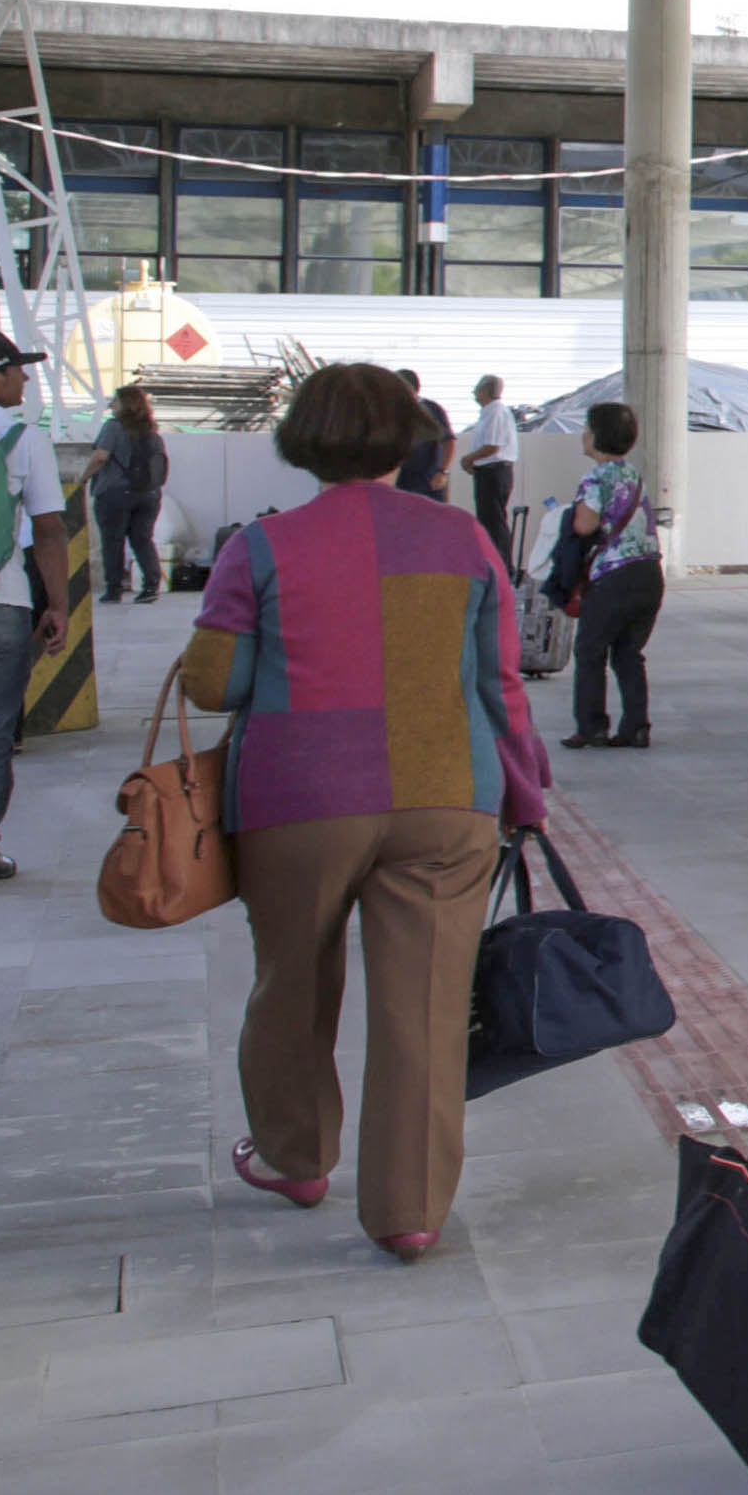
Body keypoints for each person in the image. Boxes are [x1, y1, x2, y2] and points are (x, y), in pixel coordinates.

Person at [181, 364, 549, 1261]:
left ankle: (295, 1157)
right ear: (406, 440)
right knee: (424, 1005)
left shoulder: (260, 547)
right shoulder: (464, 539)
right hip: (444, 798)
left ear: (302, 440)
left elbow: (216, 682)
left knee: (293, 983)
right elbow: (500, 684)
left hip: (299, 799)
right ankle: (409, 1211)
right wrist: (525, 793)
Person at [0, 335, 68, 880]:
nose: (25, 380)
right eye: (19, 370)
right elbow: (47, 529)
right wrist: (59, 606)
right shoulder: (24, 439)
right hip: (4, 602)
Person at [562, 402, 664, 750]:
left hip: (614, 576)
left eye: (586, 428)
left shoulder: (595, 477)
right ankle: (636, 726)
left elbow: (585, 524)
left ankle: (591, 726)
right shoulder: (634, 475)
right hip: (649, 573)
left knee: (590, 651)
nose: (583, 435)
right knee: (628, 653)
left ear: (595, 435)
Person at [82, 381, 167, 604]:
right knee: (143, 539)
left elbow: (101, 456)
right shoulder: (151, 430)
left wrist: (82, 477)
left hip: (115, 493)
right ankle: (151, 587)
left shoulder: (114, 427)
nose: (111, 404)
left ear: (125, 404)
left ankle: (114, 589)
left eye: (115, 400)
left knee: (113, 541)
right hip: (149, 494)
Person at [459, 375, 518, 565]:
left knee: (493, 522)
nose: (474, 393)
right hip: (488, 471)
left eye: (477, 389)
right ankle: (493, 564)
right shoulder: (488, 412)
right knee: (488, 520)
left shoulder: (496, 412)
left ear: (485, 390)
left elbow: (492, 446)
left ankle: (500, 566)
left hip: (495, 472)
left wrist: (469, 459)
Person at [394, 370, 454, 500]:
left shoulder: (431, 409)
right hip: (403, 480)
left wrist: (442, 472)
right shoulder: (393, 411)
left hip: (429, 480)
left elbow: (448, 442)